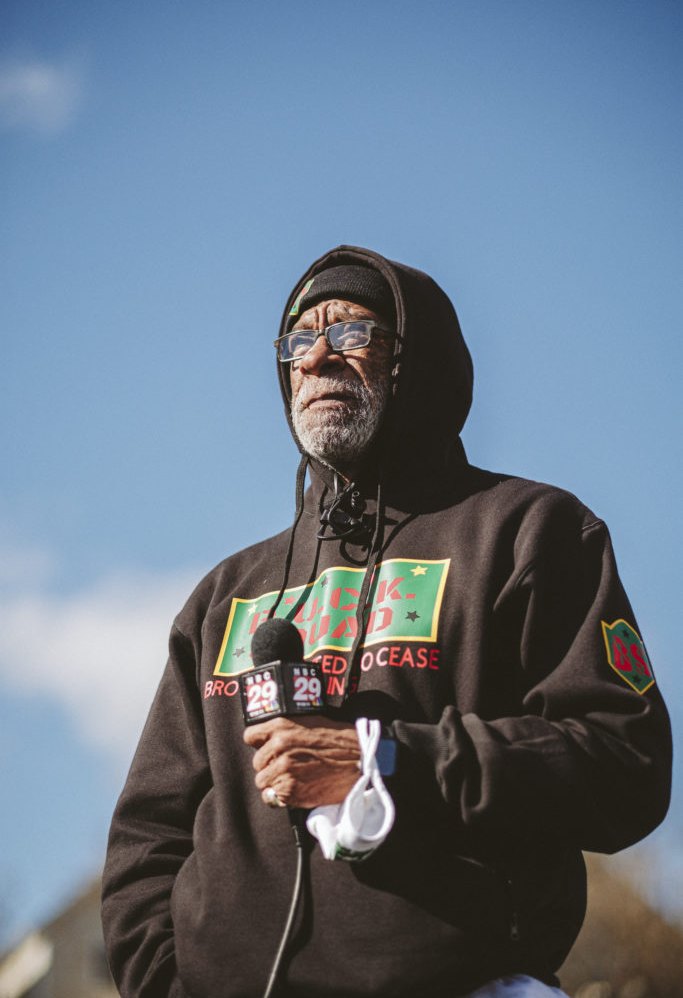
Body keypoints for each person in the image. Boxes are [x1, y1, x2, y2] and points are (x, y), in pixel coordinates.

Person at [102, 245, 672, 998]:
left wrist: (386, 760)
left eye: (350, 333)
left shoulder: (528, 532)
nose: (316, 359)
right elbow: (147, 840)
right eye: (299, 341)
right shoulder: (226, 595)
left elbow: (620, 763)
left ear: (416, 363)